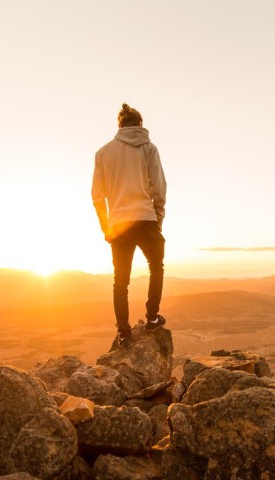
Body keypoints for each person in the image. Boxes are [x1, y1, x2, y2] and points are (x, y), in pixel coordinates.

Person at [92, 103, 167, 350]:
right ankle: (152, 317)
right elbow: (158, 187)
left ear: (120, 126)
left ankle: (124, 334)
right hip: (146, 219)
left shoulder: (103, 153)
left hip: (119, 224)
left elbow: (97, 195)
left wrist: (106, 225)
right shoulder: (149, 149)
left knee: (120, 281)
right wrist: (158, 217)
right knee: (156, 267)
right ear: (140, 124)